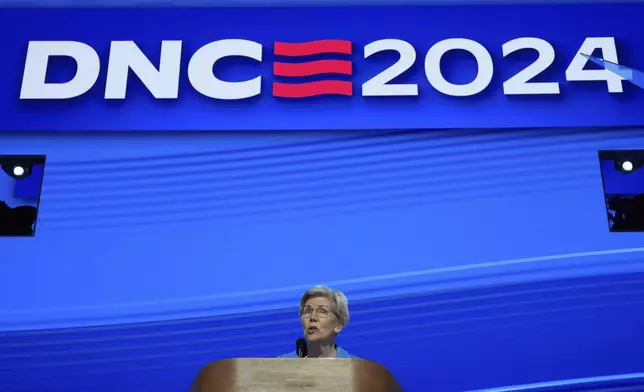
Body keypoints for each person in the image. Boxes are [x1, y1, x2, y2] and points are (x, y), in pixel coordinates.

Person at [279, 285, 356, 358]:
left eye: (322, 311)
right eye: (308, 311)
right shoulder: (282, 365)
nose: (312, 317)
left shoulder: (356, 367)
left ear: (339, 325)